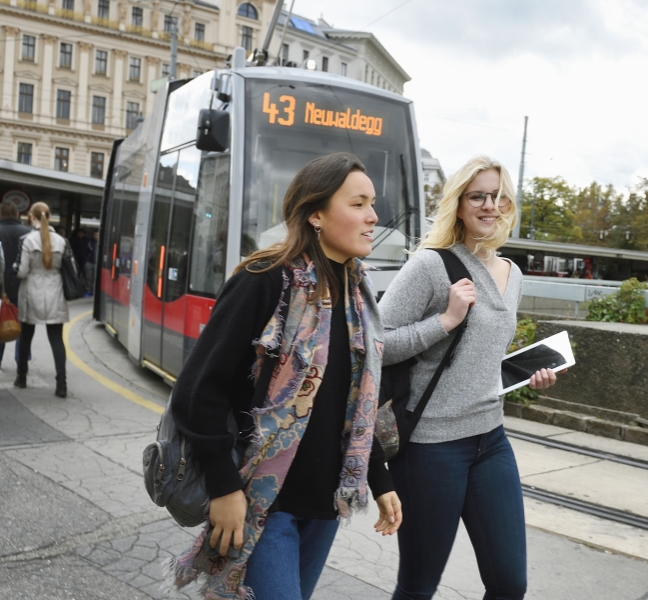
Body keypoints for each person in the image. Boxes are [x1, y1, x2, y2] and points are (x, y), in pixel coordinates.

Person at [168, 153, 401, 600]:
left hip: (323, 506)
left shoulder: (357, 295)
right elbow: (199, 390)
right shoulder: (266, 280)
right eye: (358, 204)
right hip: (262, 504)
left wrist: (380, 479)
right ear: (315, 213)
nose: (373, 217)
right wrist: (224, 486)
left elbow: (354, 403)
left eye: (373, 204)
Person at [379, 156, 559, 600]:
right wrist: (445, 319)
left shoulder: (513, 273)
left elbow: (479, 357)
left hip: (491, 440)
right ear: (458, 204)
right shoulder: (430, 266)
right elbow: (375, 344)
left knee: (508, 583)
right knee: (419, 585)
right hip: (431, 447)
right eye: (477, 195)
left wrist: (527, 375)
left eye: (498, 197)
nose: (489, 205)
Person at [14, 202, 69, 397]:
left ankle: (21, 377)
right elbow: (71, 269)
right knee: (56, 339)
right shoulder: (62, 241)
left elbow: (21, 271)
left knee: (25, 337)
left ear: (32, 217)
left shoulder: (27, 240)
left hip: (31, 292)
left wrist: (14, 268)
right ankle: (61, 383)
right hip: (55, 291)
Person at [0, 200, 30, 369]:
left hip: (0, 288)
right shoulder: (28, 233)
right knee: (22, 326)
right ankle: (22, 361)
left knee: (0, 322)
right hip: (22, 287)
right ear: (17, 215)